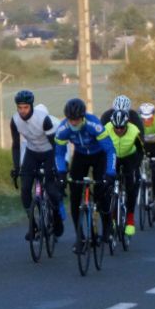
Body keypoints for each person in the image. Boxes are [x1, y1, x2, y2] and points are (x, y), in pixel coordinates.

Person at [55, 98, 117, 251]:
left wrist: (110, 173)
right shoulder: (63, 129)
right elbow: (59, 154)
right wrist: (61, 173)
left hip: (99, 155)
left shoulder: (94, 124)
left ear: (82, 117)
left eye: (76, 119)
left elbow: (110, 150)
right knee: (75, 198)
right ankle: (80, 237)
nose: (74, 122)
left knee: (102, 192)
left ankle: (108, 228)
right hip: (80, 156)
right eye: (71, 119)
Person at [10, 90, 63, 239]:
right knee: (25, 189)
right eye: (19, 107)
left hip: (49, 152)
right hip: (32, 153)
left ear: (31, 106)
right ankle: (33, 225)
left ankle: (57, 217)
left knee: (50, 188)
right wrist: (16, 167)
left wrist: (56, 167)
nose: (22, 111)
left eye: (25, 107)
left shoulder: (43, 119)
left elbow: (55, 145)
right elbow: (16, 145)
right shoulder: (15, 120)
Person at [105, 110, 143, 236]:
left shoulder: (134, 131)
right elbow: (101, 147)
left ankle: (130, 219)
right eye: (116, 127)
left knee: (131, 187)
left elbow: (141, 150)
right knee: (108, 186)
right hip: (113, 157)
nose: (119, 130)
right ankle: (112, 217)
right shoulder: (106, 129)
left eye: (122, 127)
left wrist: (135, 166)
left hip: (129, 157)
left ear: (127, 124)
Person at [138, 102, 155, 220]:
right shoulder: (137, 123)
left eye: (149, 118)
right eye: (144, 119)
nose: (146, 121)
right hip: (143, 146)